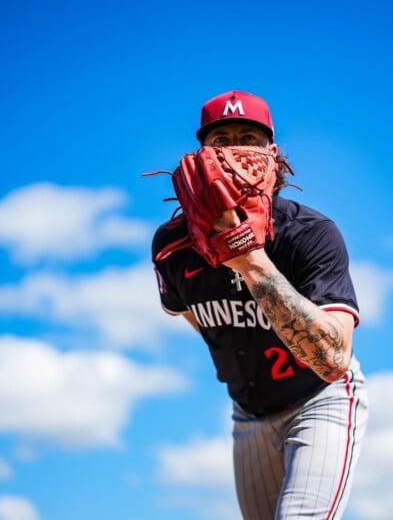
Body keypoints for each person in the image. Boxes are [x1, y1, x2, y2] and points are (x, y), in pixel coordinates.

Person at [151, 90, 369, 520]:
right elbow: (201, 320)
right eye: (222, 140)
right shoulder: (171, 247)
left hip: (319, 398)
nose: (234, 150)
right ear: (199, 156)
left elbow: (332, 360)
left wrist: (247, 258)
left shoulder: (308, 233)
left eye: (247, 138)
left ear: (273, 154)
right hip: (248, 415)